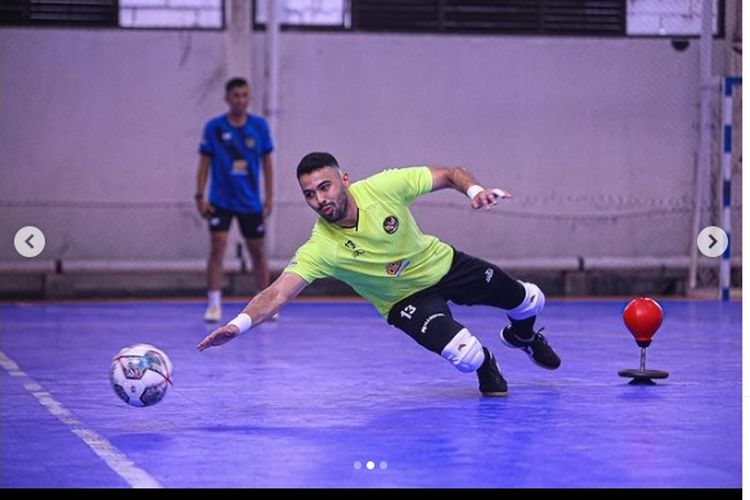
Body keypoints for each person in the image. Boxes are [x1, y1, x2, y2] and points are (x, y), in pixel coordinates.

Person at [197, 152, 561, 396]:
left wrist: (475, 191)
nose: (320, 199)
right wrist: (239, 324)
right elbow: (277, 294)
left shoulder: (383, 188)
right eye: (309, 194)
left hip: (444, 264)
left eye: (325, 187)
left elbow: (450, 174)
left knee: (530, 298)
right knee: (465, 356)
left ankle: (522, 336)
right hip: (404, 300)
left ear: (344, 179)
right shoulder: (321, 247)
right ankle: (487, 362)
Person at [195, 77, 275, 323]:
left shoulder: (259, 126)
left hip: (250, 200)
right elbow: (204, 163)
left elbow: (267, 163)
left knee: (258, 250)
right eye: (236, 95)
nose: (240, 100)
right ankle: (214, 303)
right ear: (227, 98)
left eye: (244, 95)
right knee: (217, 247)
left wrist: (269, 197)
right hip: (220, 200)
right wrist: (200, 196)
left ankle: (265, 302)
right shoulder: (214, 128)